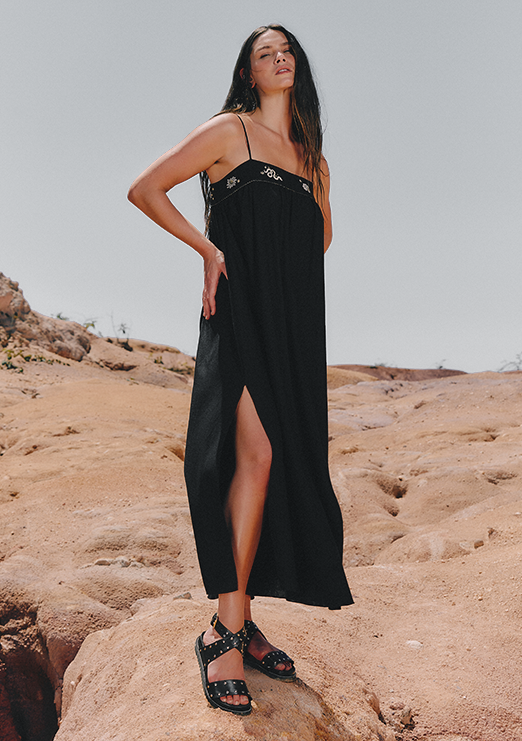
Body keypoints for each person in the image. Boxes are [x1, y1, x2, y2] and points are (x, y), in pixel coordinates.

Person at [128, 23, 353, 716]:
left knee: (275, 462)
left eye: (288, 50)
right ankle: (222, 631)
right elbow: (146, 188)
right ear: (249, 72)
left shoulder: (310, 155)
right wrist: (209, 249)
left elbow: (323, 238)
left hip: (293, 322)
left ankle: (242, 611)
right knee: (251, 453)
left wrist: (306, 187)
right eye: (266, 53)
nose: (280, 58)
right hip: (240, 310)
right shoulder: (230, 131)